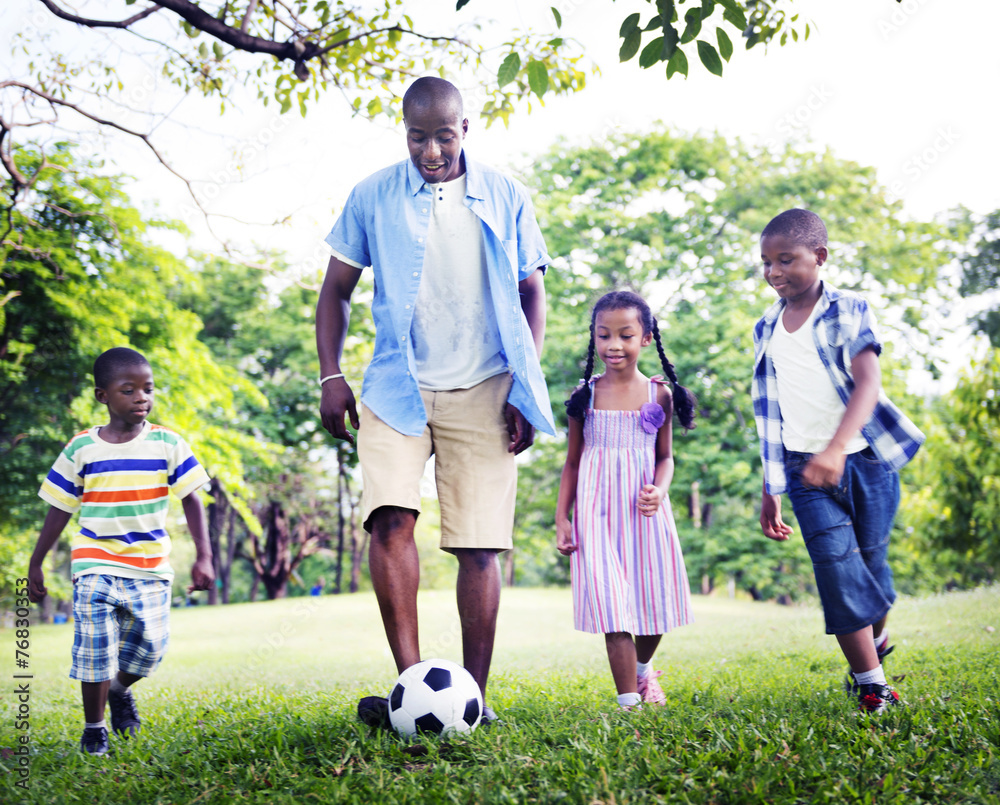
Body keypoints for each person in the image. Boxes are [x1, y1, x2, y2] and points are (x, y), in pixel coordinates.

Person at [316, 76, 554, 726]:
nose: (430, 150)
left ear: (465, 129)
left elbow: (533, 292)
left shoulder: (506, 194)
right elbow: (335, 288)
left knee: (479, 545)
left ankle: (471, 696)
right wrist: (329, 374)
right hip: (397, 384)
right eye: (417, 136)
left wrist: (523, 386)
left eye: (443, 136)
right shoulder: (372, 194)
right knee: (389, 519)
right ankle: (412, 690)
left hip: (485, 385)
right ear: (405, 131)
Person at [751, 209, 925, 714]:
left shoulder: (849, 309)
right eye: (766, 262)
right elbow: (769, 412)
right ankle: (872, 683)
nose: (774, 272)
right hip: (805, 472)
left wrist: (836, 449)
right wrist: (772, 487)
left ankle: (880, 635)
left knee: (872, 570)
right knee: (835, 569)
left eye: (786, 259)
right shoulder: (765, 327)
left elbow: (868, 383)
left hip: (866, 462)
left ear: (820, 257)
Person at [27, 347, 214, 755]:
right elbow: (59, 508)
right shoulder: (81, 448)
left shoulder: (168, 443)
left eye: (147, 389)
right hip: (94, 562)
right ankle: (94, 731)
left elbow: (193, 500)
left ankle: (119, 690)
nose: (141, 398)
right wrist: (35, 563)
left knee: (149, 651)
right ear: (103, 396)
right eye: (128, 390)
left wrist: (204, 556)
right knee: (94, 649)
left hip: (150, 566)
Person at [555, 291, 696, 710]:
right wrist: (563, 518)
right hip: (595, 515)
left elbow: (666, 457)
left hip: (643, 512)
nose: (613, 345)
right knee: (613, 608)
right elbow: (573, 463)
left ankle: (642, 670)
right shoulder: (586, 395)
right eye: (603, 335)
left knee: (654, 603)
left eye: (625, 335)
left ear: (646, 338)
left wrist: (660, 488)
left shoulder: (659, 396)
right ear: (593, 340)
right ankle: (629, 706)